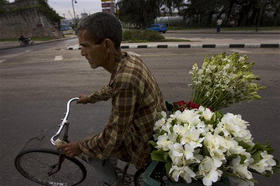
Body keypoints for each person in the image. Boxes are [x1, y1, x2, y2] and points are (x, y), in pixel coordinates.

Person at [57, 12, 166, 186]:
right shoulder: (130, 59)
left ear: (106, 45)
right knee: (98, 142)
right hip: (150, 126)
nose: (82, 53)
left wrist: (79, 147)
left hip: (143, 143)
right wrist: (90, 98)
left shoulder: (125, 79)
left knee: (90, 148)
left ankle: (116, 183)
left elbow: (112, 137)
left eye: (85, 46)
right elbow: (112, 88)